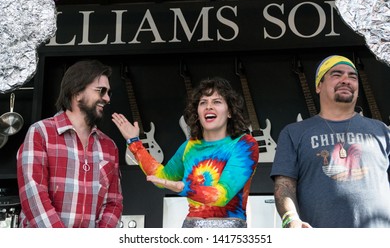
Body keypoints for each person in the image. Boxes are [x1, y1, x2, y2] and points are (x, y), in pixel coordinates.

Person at [112, 77, 259, 228]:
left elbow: (222, 195)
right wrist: (134, 142)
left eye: (217, 101)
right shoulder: (189, 147)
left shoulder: (244, 144)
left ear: (230, 112)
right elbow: (162, 177)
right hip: (190, 228)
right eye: (203, 102)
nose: (209, 106)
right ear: (197, 113)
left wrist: (183, 187)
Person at [271, 55, 390, 228]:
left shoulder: (382, 131)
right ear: (319, 86)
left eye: (352, 76)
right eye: (336, 74)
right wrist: (291, 219)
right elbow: (284, 185)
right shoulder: (294, 133)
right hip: (319, 237)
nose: (346, 80)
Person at [16, 59, 123, 228]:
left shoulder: (109, 147)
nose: (107, 98)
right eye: (101, 91)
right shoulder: (40, 133)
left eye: (109, 92)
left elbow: (114, 203)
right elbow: (34, 196)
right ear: (77, 92)